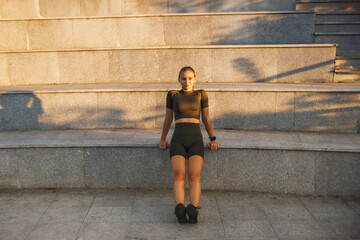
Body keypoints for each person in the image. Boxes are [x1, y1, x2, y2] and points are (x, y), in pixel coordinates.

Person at [158, 66, 219, 224]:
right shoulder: (173, 94)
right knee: (179, 175)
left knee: (194, 176)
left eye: (190, 78)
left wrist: (212, 138)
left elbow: (205, 118)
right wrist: (163, 138)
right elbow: (168, 119)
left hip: (195, 140)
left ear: (195, 79)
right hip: (178, 139)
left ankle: (193, 209)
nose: (187, 81)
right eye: (183, 78)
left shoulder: (201, 94)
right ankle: (179, 208)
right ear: (179, 79)